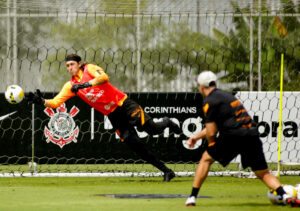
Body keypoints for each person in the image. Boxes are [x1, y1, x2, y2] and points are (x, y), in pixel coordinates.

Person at [28, 53, 180, 182]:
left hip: (124, 104)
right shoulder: (70, 86)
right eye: (67, 66)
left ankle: (167, 122)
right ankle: (166, 171)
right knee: (135, 145)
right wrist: (41, 101)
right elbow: (55, 103)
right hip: (114, 116)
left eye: (72, 64)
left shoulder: (89, 68)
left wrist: (84, 85)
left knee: (151, 129)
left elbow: (105, 78)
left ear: (79, 64)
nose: (69, 68)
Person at [185, 71, 300, 206]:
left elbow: (211, 132)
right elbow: (217, 125)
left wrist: (211, 146)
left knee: (205, 158)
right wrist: (196, 137)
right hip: (251, 134)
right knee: (263, 173)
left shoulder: (209, 101)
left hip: (233, 135)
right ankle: (285, 196)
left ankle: (192, 197)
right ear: (214, 83)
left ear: (201, 86)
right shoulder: (228, 96)